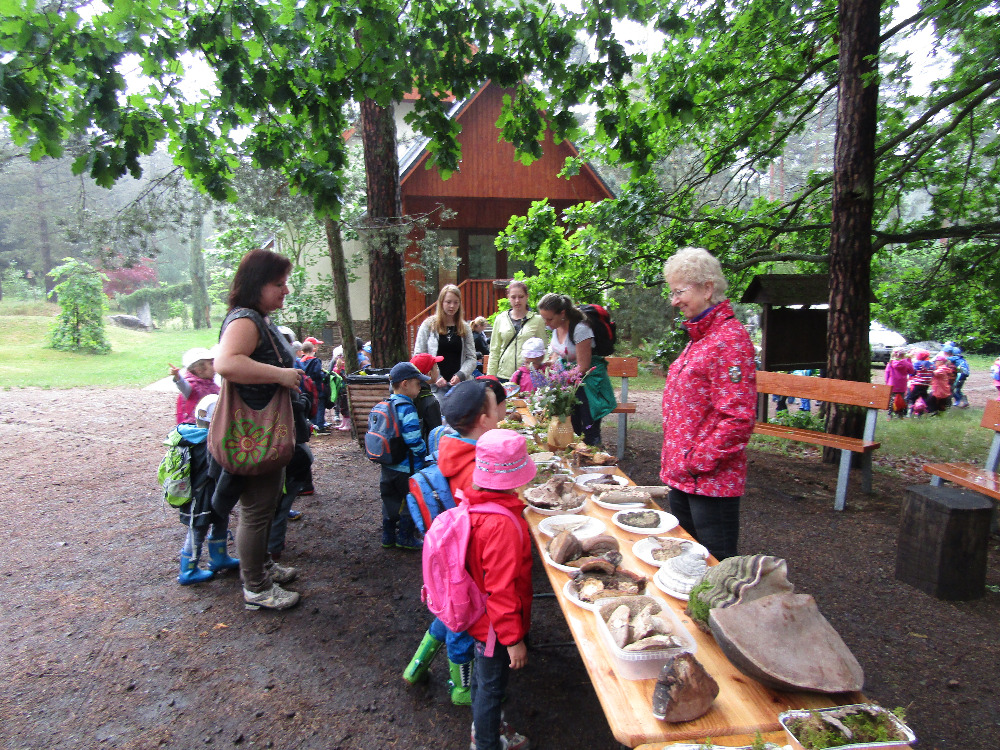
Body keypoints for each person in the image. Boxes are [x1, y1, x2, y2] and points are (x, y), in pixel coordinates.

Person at [403, 378, 506, 706]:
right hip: (464, 560)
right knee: (463, 619)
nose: (500, 415)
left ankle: (416, 666)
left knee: (447, 613)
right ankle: (462, 689)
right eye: (496, 409)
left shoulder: (451, 447)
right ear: (483, 420)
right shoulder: (476, 470)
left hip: (445, 552)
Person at [212, 248, 303, 612]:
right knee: (256, 510)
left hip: (266, 431)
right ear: (257, 283)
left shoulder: (257, 318)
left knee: (266, 505)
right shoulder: (245, 320)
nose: (285, 290)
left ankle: (263, 567)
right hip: (255, 431)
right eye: (279, 283)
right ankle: (257, 588)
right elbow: (226, 363)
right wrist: (281, 375)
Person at [660, 247, 756, 561]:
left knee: (717, 567)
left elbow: (738, 418)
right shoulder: (700, 338)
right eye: (672, 292)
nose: (674, 301)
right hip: (684, 478)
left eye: (679, 292)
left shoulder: (729, 340)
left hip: (710, 483)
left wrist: (695, 461)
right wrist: (682, 463)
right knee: (686, 562)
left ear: (707, 288)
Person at [465, 428, 535, 750]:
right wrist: (514, 640)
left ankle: (482, 728)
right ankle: (487, 742)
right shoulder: (502, 524)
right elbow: (501, 591)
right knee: (492, 689)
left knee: (482, 681)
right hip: (495, 629)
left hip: (479, 618)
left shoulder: (475, 506)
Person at [160, 394, 240, 585]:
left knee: (221, 519)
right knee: (198, 530)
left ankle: (219, 557)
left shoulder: (191, 435)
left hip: (208, 492)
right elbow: (216, 469)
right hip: (201, 496)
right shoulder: (207, 442)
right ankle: (188, 570)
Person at [537, 293, 617, 446]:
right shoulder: (556, 326)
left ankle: (593, 454)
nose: (546, 323)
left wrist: (559, 378)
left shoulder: (581, 329)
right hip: (569, 383)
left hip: (588, 384)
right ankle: (570, 454)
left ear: (562, 313)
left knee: (588, 430)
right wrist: (550, 362)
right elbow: (559, 351)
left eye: (549, 319)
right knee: (569, 427)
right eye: (544, 319)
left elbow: (583, 367)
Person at [380, 361, 430, 550]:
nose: (420, 387)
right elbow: (413, 439)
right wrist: (424, 453)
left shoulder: (386, 404)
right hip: (407, 467)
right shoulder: (407, 407)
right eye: (418, 383)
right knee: (411, 500)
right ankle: (405, 536)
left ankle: (388, 536)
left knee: (390, 500)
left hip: (387, 464)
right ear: (405, 384)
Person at [414, 284, 477, 399]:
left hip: (460, 386)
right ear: (441, 302)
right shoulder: (428, 325)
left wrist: (461, 375)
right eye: (448, 302)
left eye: (456, 302)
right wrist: (436, 377)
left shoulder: (465, 328)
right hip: (435, 387)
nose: (452, 306)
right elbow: (419, 356)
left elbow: (471, 358)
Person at [486, 280, 547, 381]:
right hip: (503, 375)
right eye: (513, 297)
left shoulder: (537, 320)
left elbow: (544, 349)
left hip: (528, 376)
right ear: (508, 297)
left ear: (527, 296)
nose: (517, 301)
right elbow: (494, 350)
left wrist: (544, 373)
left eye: (521, 297)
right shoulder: (500, 319)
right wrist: (490, 377)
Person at [168, 347, 220, 425]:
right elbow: (183, 385)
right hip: (194, 426)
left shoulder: (211, 383)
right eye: (211, 364)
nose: (215, 367)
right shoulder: (192, 387)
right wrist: (177, 376)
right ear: (199, 370)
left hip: (210, 423)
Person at [410, 353, 444, 441]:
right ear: (429, 374)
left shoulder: (409, 395)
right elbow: (436, 434)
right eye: (436, 368)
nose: (438, 370)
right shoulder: (431, 402)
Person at [884, 348, 914, 418]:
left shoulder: (890, 363)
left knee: (891, 399)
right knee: (901, 399)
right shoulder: (906, 363)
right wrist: (909, 360)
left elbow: (887, 373)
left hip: (892, 384)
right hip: (902, 384)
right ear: (904, 355)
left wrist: (887, 382)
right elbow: (911, 371)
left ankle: (889, 414)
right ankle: (900, 414)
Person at [907, 349, 933, 416]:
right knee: (923, 398)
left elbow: (912, 373)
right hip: (926, 384)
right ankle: (921, 412)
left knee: (911, 398)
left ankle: (910, 412)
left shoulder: (917, 364)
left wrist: (910, 375)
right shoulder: (931, 364)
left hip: (917, 384)